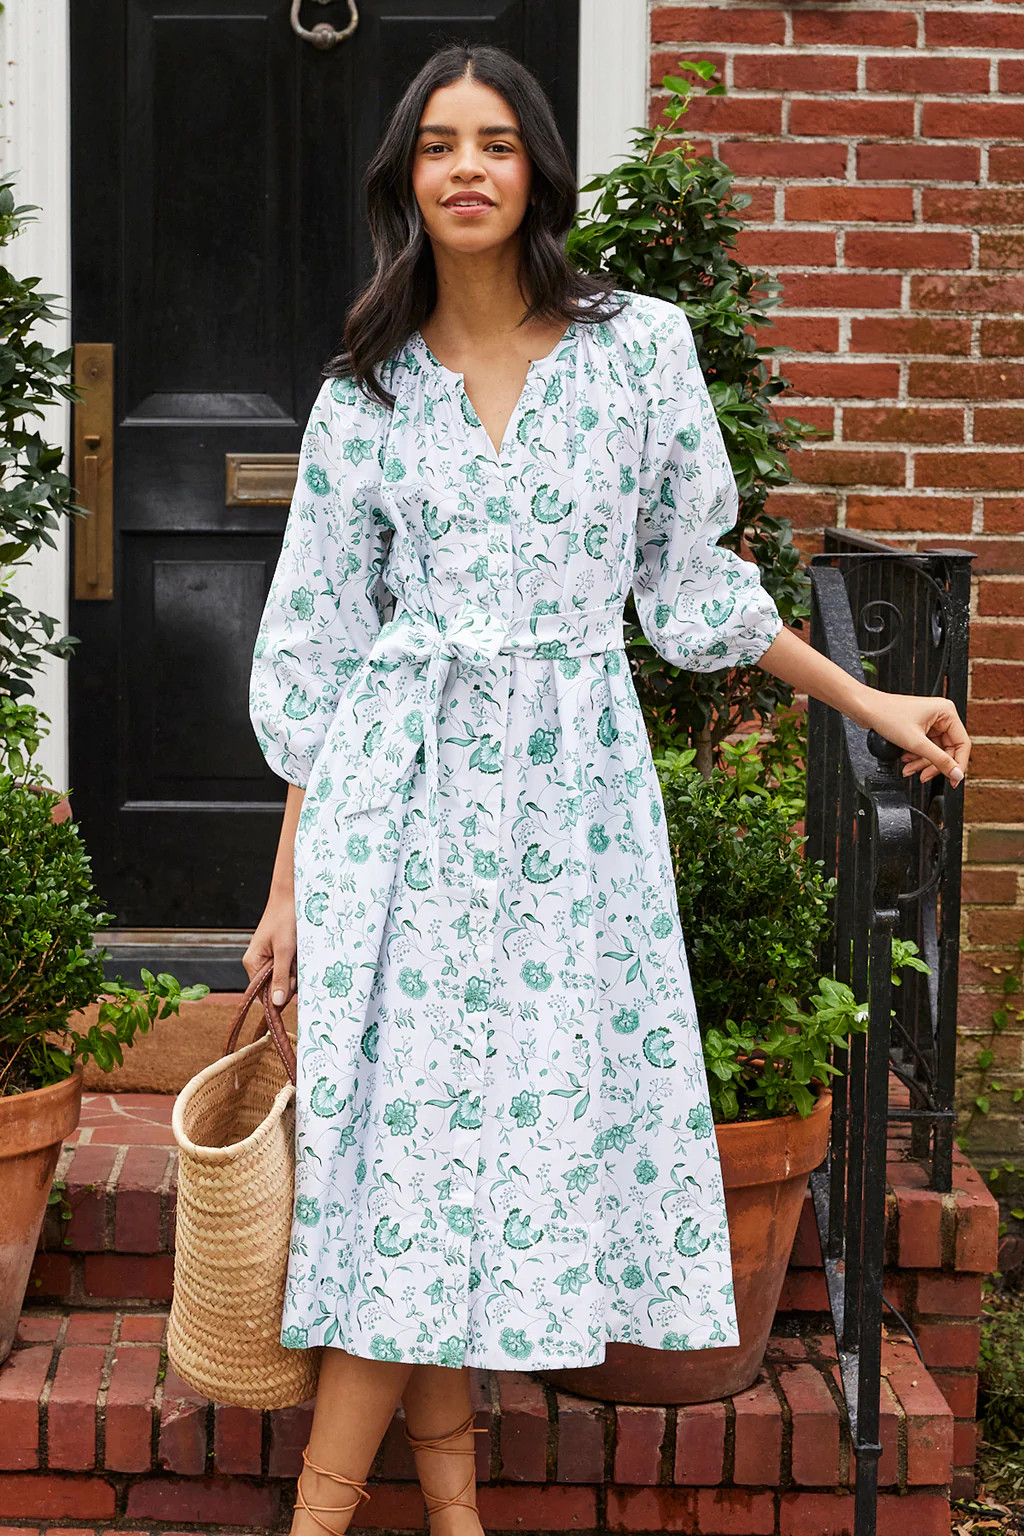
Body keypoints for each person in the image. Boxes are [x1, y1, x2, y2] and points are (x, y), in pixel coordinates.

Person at [244, 41, 971, 1536]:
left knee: (455, 1156)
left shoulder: (639, 350)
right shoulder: (361, 396)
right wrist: (286, 890)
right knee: (412, 1158)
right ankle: (358, 1518)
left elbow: (696, 590)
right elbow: (321, 660)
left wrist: (867, 695)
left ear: (535, 171)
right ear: (405, 176)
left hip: (573, 814)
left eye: (495, 142)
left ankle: (435, 1515)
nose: (466, 168)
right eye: (439, 143)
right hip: (407, 799)